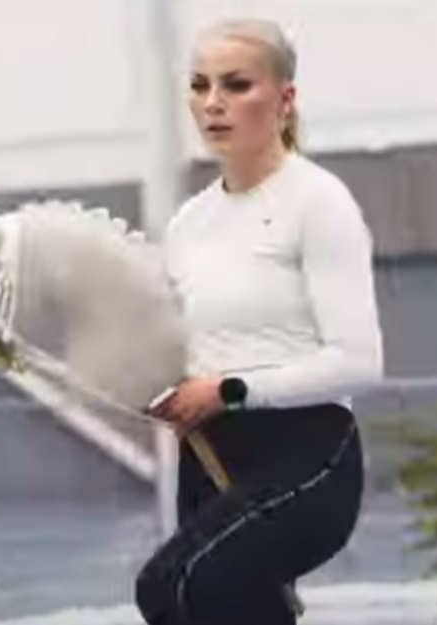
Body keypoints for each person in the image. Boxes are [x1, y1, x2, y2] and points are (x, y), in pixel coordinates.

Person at [134, 16, 385, 625]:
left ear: (284, 99)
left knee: (175, 585)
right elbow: (185, 347)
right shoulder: (189, 224)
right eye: (200, 86)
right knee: (213, 612)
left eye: (236, 85)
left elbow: (359, 363)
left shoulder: (318, 203)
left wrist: (227, 390)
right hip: (210, 452)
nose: (213, 103)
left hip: (305, 453)